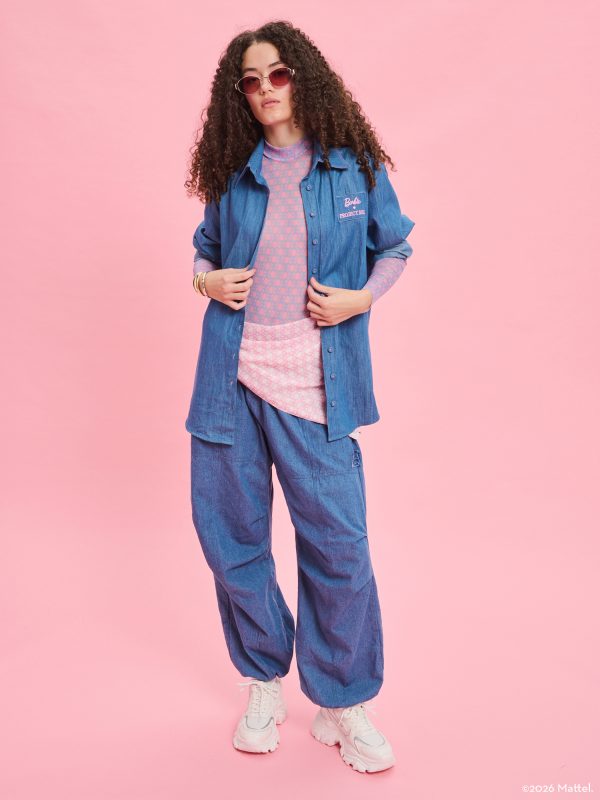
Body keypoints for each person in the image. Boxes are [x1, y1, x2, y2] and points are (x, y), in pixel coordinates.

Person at [183, 20, 415, 774]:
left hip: (318, 380)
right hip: (230, 380)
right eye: (250, 81)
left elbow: (395, 246)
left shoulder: (353, 167)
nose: (265, 90)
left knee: (339, 545)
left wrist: (360, 299)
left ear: (303, 77)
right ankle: (262, 679)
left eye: (277, 74)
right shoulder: (232, 173)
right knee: (231, 538)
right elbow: (204, 252)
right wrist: (207, 281)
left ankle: (343, 698)